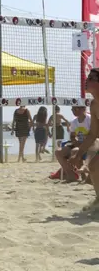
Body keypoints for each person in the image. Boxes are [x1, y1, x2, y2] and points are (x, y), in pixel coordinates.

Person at [70, 69, 99, 211]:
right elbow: (93, 134)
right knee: (94, 166)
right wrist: (79, 153)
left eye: (91, 78)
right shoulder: (94, 105)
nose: (86, 80)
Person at [54, 106, 90, 181]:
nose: (72, 111)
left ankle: (83, 175)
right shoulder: (74, 122)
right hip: (78, 144)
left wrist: (83, 141)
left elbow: (95, 135)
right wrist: (75, 141)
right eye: (72, 109)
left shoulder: (90, 119)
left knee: (75, 151)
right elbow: (72, 136)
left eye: (75, 109)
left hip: (90, 145)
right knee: (58, 152)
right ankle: (71, 175)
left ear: (82, 109)